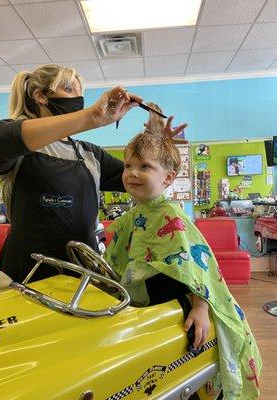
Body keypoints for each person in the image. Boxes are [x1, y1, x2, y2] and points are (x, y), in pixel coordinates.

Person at [104, 104, 262, 400]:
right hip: (155, 309)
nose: (132, 174)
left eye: (144, 167)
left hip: (183, 308)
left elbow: (196, 269)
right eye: (127, 166)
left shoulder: (171, 217)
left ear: (167, 178)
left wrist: (201, 308)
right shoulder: (132, 216)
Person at [0, 63, 186, 283]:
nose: (78, 100)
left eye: (81, 94)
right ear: (40, 96)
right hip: (27, 272)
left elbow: (142, 180)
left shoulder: (90, 155)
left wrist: (158, 152)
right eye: (70, 90)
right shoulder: (15, 148)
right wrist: (93, 117)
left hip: (82, 272)